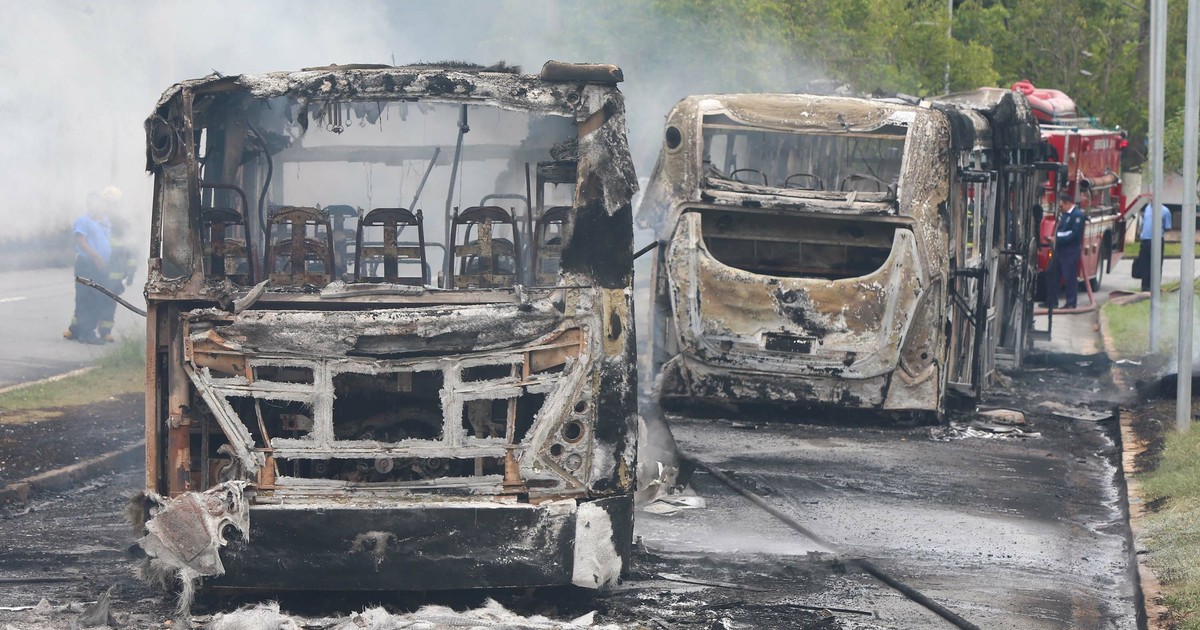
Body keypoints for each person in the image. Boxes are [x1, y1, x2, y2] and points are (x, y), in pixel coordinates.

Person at [65, 192, 112, 344]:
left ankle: (80, 330)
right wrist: (96, 257)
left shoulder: (104, 221)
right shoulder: (82, 221)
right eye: (92, 203)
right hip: (87, 264)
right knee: (86, 299)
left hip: (100, 266)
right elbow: (81, 241)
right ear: (88, 205)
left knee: (97, 298)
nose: (96, 206)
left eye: (98, 203)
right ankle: (87, 333)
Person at [1045, 191, 1085, 310]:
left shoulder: (1077, 216)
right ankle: (1052, 301)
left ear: (1068, 203)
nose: (1060, 208)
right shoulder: (1065, 215)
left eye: (1061, 205)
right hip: (1059, 250)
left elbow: (1074, 235)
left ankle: (1071, 303)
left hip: (1070, 251)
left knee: (1069, 277)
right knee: (1051, 273)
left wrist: (1056, 238)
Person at [1134, 202, 1172, 292]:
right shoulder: (1147, 208)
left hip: (1157, 240)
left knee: (1156, 264)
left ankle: (1154, 288)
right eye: (1150, 195)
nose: (1152, 197)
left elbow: (1168, 227)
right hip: (1145, 240)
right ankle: (1145, 287)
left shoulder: (1165, 211)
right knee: (1144, 263)